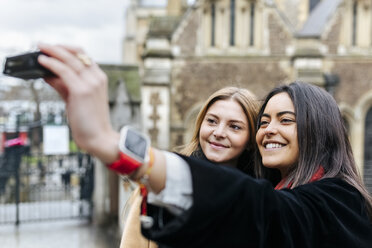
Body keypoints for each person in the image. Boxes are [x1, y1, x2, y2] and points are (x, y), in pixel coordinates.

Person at [37, 44, 372, 247]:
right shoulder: (282, 186)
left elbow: (260, 210)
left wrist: (112, 145)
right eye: (266, 120)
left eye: (286, 120)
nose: (270, 130)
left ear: (320, 129)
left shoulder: (339, 199)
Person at [120, 86, 259, 248]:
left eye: (235, 126)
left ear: (250, 140)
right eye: (212, 121)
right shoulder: (161, 183)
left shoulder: (259, 199)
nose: (219, 132)